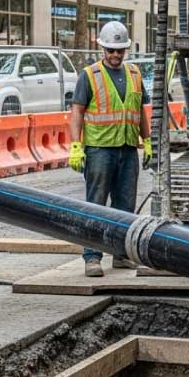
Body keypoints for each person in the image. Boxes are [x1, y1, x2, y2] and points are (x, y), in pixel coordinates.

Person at [67, 21, 151, 277]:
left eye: (120, 51)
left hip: (127, 149)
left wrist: (147, 142)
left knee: (125, 205)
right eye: (111, 50)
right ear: (102, 48)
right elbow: (77, 112)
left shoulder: (135, 74)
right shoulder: (89, 75)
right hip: (99, 150)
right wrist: (75, 146)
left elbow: (140, 111)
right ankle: (92, 257)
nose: (115, 55)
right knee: (96, 204)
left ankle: (121, 254)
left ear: (125, 50)